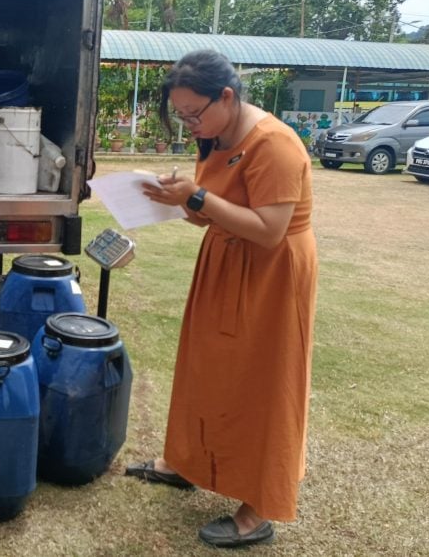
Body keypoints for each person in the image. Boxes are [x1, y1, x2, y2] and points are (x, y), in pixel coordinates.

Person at [126, 49, 318, 548]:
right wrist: (179, 198)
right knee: (204, 367)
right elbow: (210, 213)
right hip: (225, 264)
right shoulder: (213, 137)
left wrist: (196, 197)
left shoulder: (275, 144)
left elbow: (270, 230)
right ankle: (186, 462)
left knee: (265, 384)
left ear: (227, 97)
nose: (189, 124)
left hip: (271, 276)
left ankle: (258, 508)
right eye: (181, 115)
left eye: (194, 113)